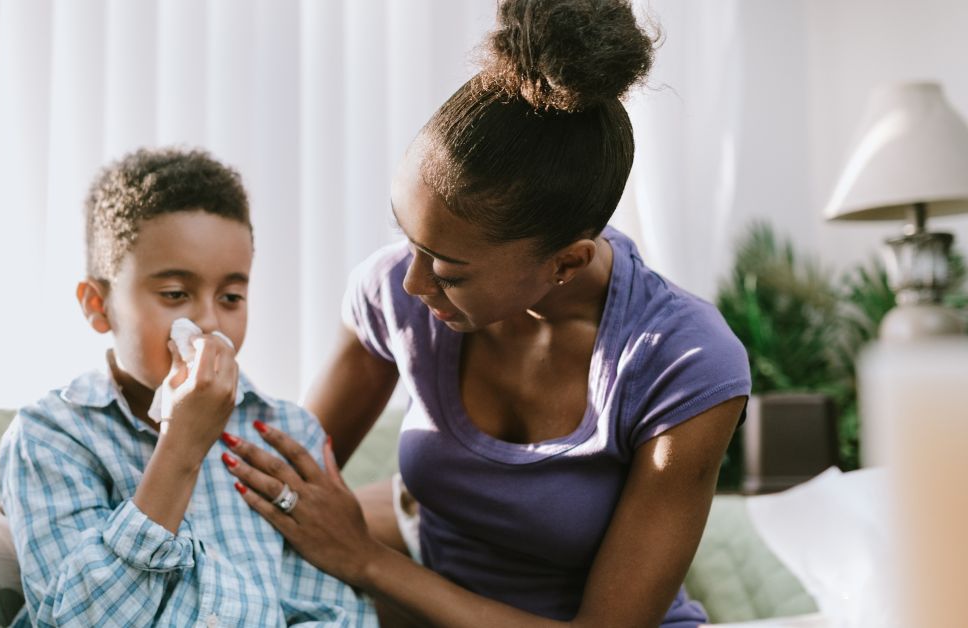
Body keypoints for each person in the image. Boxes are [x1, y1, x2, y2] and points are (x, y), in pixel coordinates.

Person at [219, 1, 751, 626]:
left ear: (566, 262)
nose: (413, 282)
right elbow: (287, 480)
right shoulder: (394, 289)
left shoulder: (684, 363)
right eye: (406, 238)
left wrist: (366, 560)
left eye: (449, 270)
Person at [0, 147, 377, 627]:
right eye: (175, 294)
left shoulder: (285, 433)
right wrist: (182, 446)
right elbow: (79, 619)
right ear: (98, 305)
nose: (209, 322)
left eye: (231, 297)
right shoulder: (51, 437)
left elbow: (336, 613)